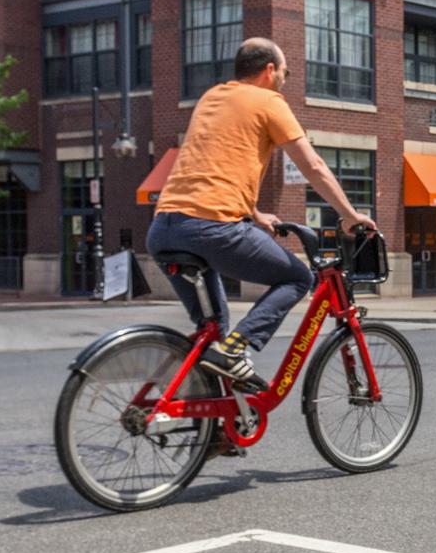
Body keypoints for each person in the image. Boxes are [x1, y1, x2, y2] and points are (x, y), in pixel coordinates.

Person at [148, 37, 376, 390]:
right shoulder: (269, 101)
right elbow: (313, 165)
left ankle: (214, 427)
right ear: (270, 70)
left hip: (164, 227)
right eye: (286, 71)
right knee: (297, 277)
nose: (286, 77)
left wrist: (254, 213)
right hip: (212, 228)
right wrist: (349, 214)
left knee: (213, 334)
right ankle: (237, 350)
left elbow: (209, 165)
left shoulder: (212, 97)